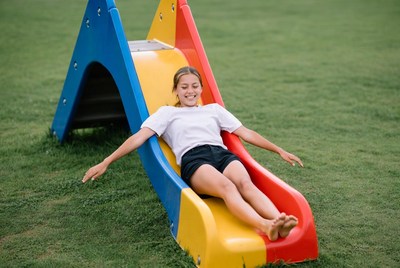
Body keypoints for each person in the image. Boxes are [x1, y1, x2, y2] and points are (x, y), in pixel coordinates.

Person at [82, 66, 304, 241]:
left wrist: (279, 150)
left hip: (221, 154)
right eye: (184, 87)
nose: (190, 91)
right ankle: (265, 225)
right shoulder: (167, 113)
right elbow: (139, 138)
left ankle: (279, 221)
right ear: (176, 90)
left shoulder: (214, 109)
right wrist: (106, 161)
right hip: (195, 160)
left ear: (201, 88)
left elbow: (246, 133)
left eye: (195, 86)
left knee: (246, 184)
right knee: (228, 187)